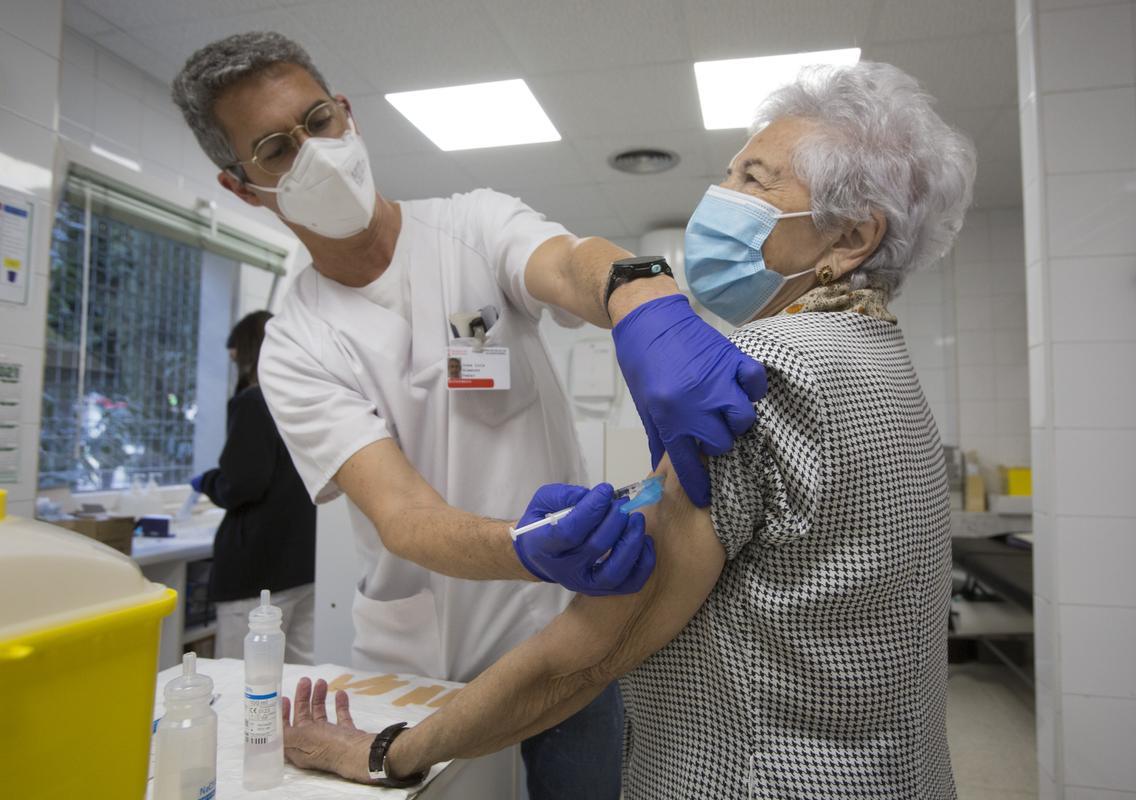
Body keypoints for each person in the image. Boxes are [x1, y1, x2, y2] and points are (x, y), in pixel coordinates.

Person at [278, 61, 975, 799]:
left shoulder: (760, 372)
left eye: (755, 180)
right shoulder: (878, 356)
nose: (720, 196)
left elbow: (587, 653)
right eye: (730, 170)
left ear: (851, 237)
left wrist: (386, 752)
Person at [171, 32, 766, 799]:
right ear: (241, 185)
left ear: (346, 114)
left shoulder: (471, 226)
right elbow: (404, 516)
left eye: (317, 121)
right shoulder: (297, 342)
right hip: (420, 663)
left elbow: (564, 262)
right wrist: (526, 545)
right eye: (276, 149)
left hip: (569, 632)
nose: (314, 153)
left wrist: (639, 293)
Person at [191, 310, 316, 663]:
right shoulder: (306, 402)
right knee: (296, 679)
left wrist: (209, 482)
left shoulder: (254, 403)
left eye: (236, 359)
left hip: (257, 571)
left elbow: (242, 484)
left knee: (242, 679)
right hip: (303, 565)